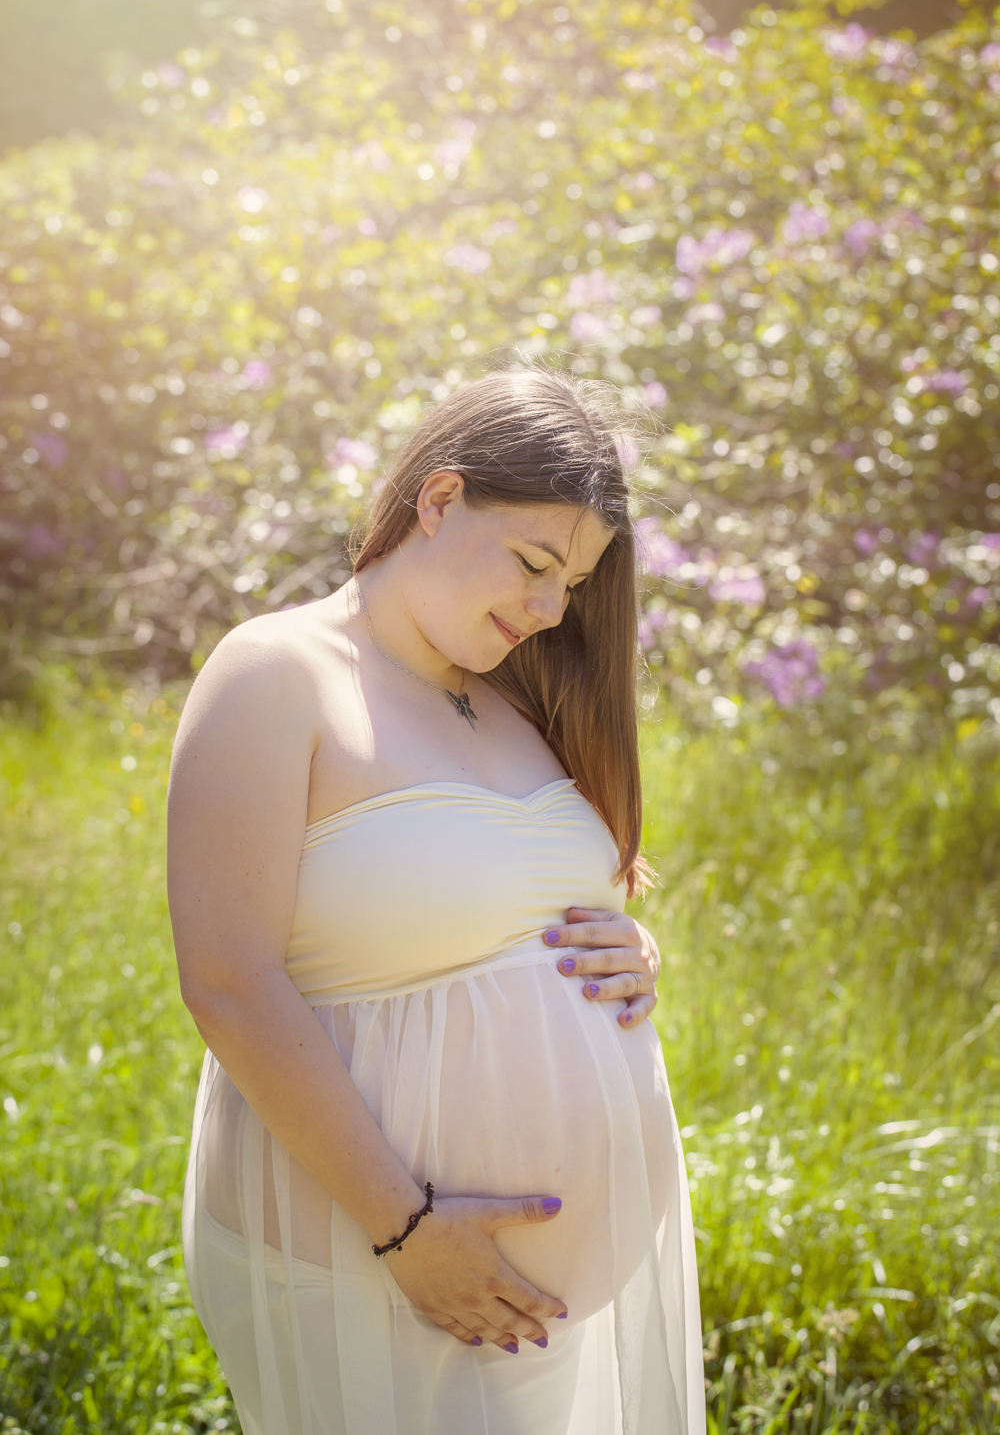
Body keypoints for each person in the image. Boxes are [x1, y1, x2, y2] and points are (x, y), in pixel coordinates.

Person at [168, 366, 705, 1435]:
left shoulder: (512, 698)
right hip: (370, 1247)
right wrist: (407, 1232)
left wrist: (627, 948)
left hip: (531, 1305)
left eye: (573, 586)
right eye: (534, 563)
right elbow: (229, 980)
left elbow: (502, 897)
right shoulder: (279, 670)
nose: (550, 608)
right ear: (440, 498)